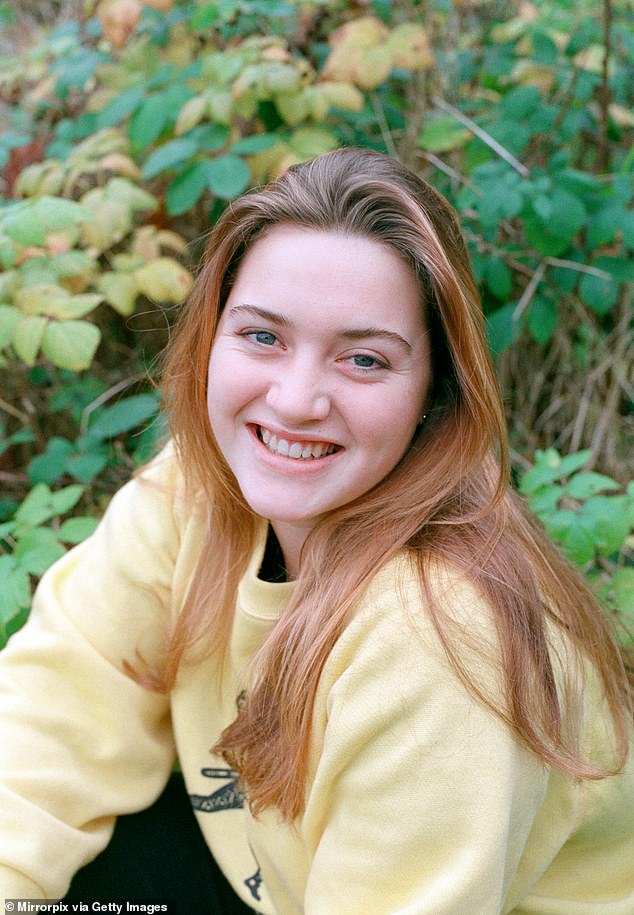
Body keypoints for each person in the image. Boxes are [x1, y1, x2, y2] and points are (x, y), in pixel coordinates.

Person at [0, 147, 632, 915]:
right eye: (263, 336)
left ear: (436, 391)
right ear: (209, 339)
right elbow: (47, 725)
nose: (296, 400)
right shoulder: (197, 491)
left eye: (363, 359)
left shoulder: (441, 637)